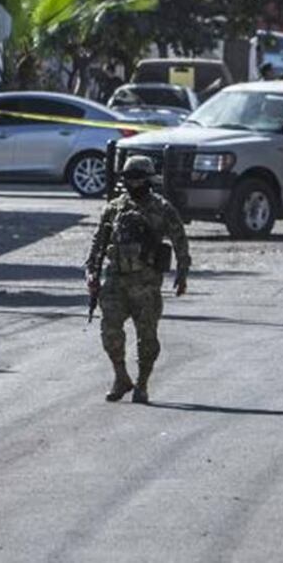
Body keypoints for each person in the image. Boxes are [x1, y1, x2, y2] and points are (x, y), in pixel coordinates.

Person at [85, 155, 191, 404]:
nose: (134, 185)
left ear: (149, 179)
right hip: (115, 280)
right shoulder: (114, 208)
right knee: (110, 330)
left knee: (147, 337)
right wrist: (91, 271)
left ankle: (142, 384)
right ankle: (121, 377)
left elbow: (180, 240)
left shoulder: (162, 209)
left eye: (139, 179)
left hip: (146, 282)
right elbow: (99, 242)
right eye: (129, 179)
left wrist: (182, 273)